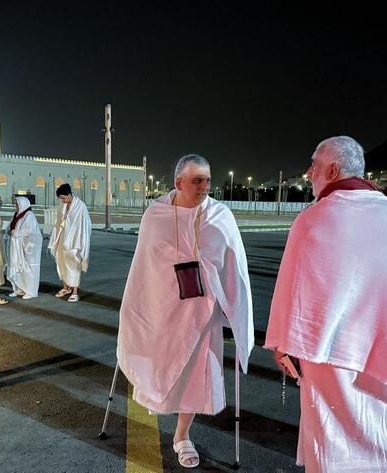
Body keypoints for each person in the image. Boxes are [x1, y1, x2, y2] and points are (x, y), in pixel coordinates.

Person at [265, 136, 387, 473]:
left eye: (314, 165)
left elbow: (294, 292)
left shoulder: (313, 219)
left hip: (325, 355)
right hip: (384, 352)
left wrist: (283, 344)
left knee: (330, 439)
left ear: (333, 170)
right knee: (381, 431)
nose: (309, 173)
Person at [117, 154, 254, 468]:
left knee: (195, 376)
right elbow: (144, 268)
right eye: (197, 181)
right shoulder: (155, 215)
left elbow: (235, 267)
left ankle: (182, 435)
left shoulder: (220, 215)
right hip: (160, 310)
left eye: (208, 180)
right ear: (178, 183)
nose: (205, 186)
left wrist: (233, 304)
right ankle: (158, 405)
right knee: (161, 365)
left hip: (202, 313)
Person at [47, 183, 91, 302]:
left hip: (74, 242)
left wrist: (81, 243)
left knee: (74, 265)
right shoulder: (63, 205)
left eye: (63, 198)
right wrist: (55, 239)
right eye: (60, 199)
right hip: (62, 239)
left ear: (69, 194)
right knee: (61, 263)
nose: (62, 201)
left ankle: (75, 291)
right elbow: (58, 222)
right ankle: (66, 287)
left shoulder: (80, 206)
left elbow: (84, 226)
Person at [6, 196, 42, 299]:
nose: (15, 206)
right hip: (17, 246)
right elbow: (11, 227)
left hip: (27, 247)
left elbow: (29, 231)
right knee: (18, 267)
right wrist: (10, 232)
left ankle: (30, 291)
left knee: (29, 268)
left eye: (17, 204)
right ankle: (19, 288)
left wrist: (14, 232)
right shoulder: (17, 215)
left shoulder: (29, 215)